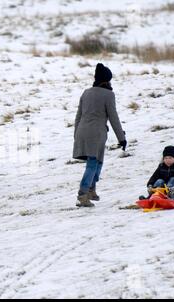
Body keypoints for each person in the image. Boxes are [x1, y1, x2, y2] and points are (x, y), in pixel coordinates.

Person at [73, 63, 127, 207]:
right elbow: (113, 117)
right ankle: (83, 194)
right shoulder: (109, 95)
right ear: (107, 80)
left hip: (82, 131)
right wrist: (121, 138)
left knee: (97, 162)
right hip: (96, 133)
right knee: (92, 163)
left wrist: (76, 135)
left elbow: (78, 115)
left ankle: (91, 189)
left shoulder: (86, 92)